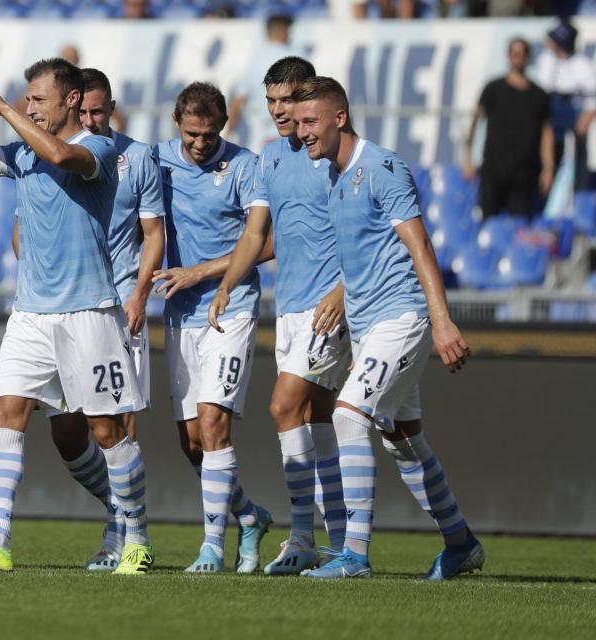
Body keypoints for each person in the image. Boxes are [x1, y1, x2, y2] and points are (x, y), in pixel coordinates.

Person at [0, 59, 152, 574]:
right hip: (31, 312)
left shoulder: (99, 150)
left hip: (89, 312)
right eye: (26, 98)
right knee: (5, 413)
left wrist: (6, 109)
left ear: (71, 100)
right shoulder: (22, 156)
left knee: (106, 431)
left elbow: (60, 153)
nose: (29, 105)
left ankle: (137, 539)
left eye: (37, 98)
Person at [290, 76, 484, 580]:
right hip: (373, 325)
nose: (302, 130)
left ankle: (353, 555)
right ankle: (460, 541)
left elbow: (420, 245)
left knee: (349, 416)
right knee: (402, 438)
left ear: (340, 117)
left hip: (405, 316)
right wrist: (360, 335)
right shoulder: (332, 175)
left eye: (311, 121)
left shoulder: (382, 167)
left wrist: (441, 322)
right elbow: (362, 260)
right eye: (297, 121)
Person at [10, 67, 163, 571]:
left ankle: (128, 536)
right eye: (89, 111)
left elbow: (154, 233)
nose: (95, 118)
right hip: (47, 306)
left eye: (101, 111)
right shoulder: (36, 153)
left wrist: (139, 293)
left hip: (108, 304)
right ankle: (116, 513)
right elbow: (21, 221)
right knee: (64, 434)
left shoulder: (118, 154)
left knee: (112, 426)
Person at [207, 57, 350, 576]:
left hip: (329, 307)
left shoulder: (335, 156)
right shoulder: (270, 158)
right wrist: (225, 285)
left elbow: (365, 229)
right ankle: (341, 540)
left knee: (283, 407)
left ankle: (303, 535)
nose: (277, 112)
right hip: (289, 308)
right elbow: (255, 235)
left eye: (286, 101)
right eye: (270, 102)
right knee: (318, 419)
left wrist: (342, 289)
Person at [151, 82, 271, 573]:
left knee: (212, 421)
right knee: (192, 442)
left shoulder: (244, 167)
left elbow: (265, 243)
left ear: (224, 125)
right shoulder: (156, 161)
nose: (200, 143)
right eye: (192, 133)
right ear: (176, 122)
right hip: (180, 315)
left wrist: (200, 272)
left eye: (210, 133)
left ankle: (210, 547)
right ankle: (249, 515)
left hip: (232, 307)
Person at [464, 37, 553, 219]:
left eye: (522, 54)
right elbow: (474, 123)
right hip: (493, 170)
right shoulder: (493, 88)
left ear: (528, 57)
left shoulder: (539, 94)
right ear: (508, 56)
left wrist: (548, 168)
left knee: (519, 228)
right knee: (487, 223)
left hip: (524, 173)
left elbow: (546, 134)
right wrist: (467, 159)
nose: (518, 58)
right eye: (515, 54)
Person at [533, 19, 596, 191]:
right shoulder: (545, 60)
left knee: (575, 164)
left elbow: (593, 102)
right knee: (547, 160)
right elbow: (540, 93)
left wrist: (582, 125)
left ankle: (576, 196)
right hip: (550, 120)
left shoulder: (583, 64)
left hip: (573, 120)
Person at [225, 14, 295, 152]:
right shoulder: (294, 57)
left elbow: (239, 99)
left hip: (260, 135)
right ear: (284, 31)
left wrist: (229, 132)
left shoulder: (255, 61)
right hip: (288, 134)